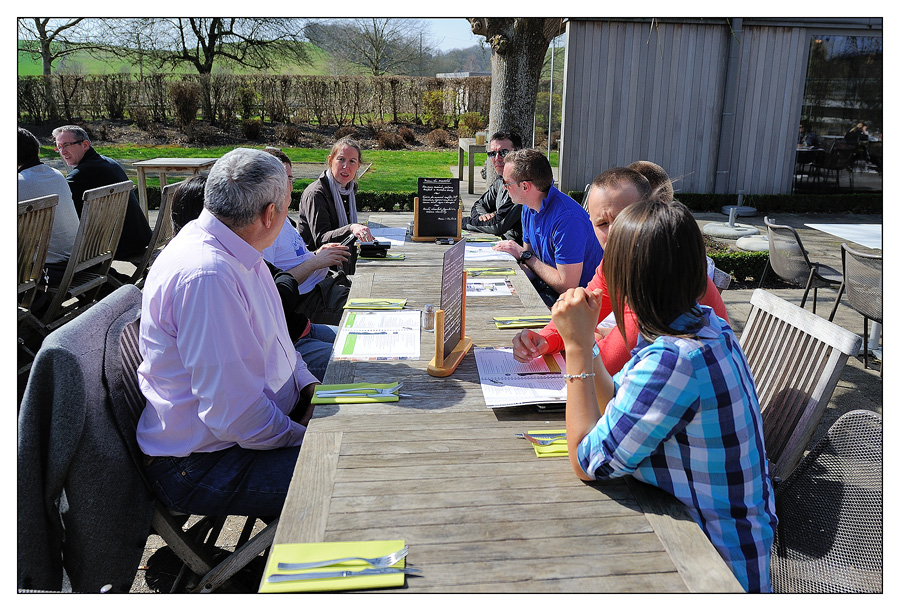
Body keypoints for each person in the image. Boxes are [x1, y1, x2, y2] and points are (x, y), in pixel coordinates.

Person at [551, 198, 777, 592]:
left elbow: (585, 462)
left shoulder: (676, 361)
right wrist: (586, 344)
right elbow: (620, 402)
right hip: (720, 540)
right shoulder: (705, 326)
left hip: (714, 569)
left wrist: (574, 349)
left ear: (626, 280)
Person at [137, 148, 318, 517]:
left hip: (240, 437)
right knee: (354, 471)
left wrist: (309, 390)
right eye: (288, 207)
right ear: (270, 214)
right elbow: (234, 415)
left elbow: (279, 344)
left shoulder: (237, 247)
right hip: (202, 464)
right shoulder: (210, 275)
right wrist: (306, 436)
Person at [512, 166, 729, 375]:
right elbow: (584, 307)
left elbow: (603, 367)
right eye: (603, 224)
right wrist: (544, 338)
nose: (615, 232)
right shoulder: (614, 264)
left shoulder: (660, 273)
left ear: (651, 211)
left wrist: (586, 336)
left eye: (625, 217)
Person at [169, 173, 337, 382]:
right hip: (288, 348)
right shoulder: (208, 274)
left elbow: (280, 285)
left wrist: (304, 382)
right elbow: (234, 381)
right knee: (366, 362)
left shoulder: (235, 249)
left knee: (369, 344)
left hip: (294, 335)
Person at [492, 148, 603, 306]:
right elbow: (531, 265)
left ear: (525, 186)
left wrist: (524, 255)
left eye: (506, 183)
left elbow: (567, 286)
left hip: (580, 305)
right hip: (548, 290)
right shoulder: (528, 207)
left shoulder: (568, 220)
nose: (504, 187)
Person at [262, 147, 352, 325]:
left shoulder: (281, 216)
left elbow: (291, 258)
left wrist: (317, 254)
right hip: (308, 299)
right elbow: (273, 287)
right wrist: (316, 261)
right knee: (369, 315)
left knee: (376, 296)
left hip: (326, 283)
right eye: (282, 179)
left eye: (290, 178)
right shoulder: (264, 227)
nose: (289, 186)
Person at [51, 125, 152, 260]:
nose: (62, 152)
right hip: (139, 236)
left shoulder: (81, 174)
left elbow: (60, 212)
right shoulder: (108, 162)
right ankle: (112, 277)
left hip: (116, 245)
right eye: (59, 147)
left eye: (66, 145)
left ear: (85, 144)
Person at [296, 137, 373, 276]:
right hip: (316, 272)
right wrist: (351, 228)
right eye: (341, 159)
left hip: (342, 265)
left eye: (352, 161)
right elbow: (321, 239)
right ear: (330, 160)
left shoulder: (349, 189)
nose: (346, 166)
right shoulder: (316, 194)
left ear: (358, 166)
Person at [17, 127, 80, 290]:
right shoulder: (56, 174)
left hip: (45, 268)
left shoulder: (19, 183)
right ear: (37, 151)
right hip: (75, 259)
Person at [464, 131, 524, 243]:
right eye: (492, 153)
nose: (497, 158)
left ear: (517, 152)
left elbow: (498, 225)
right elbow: (479, 204)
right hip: (503, 245)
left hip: (520, 253)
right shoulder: (500, 181)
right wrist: (483, 217)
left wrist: (462, 222)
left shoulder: (522, 184)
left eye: (503, 152)